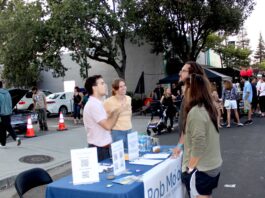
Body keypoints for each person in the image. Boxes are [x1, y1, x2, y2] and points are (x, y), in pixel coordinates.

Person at [181, 74, 222, 198]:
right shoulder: (207, 107)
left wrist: (189, 169)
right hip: (211, 165)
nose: (182, 89)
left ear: (192, 89)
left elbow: (199, 144)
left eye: (185, 85)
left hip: (202, 169)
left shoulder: (196, 112)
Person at [83, 75, 125, 161]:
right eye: (102, 83)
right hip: (99, 150)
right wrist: (117, 111)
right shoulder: (93, 105)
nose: (105, 85)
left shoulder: (98, 103)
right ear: (94, 88)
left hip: (103, 149)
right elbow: (108, 125)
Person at [172, 61, 206, 157]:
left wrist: (179, 145)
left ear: (192, 75)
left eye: (183, 71)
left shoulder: (194, 96)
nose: (179, 73)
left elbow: (189, 126)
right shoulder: (192, 93)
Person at [104, 78, 132, 151]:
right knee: (119, 157)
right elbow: (105, 119)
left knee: (129, 155)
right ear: (115, 89)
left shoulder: (129, 99)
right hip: (117, 133)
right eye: (121, 87)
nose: (124, 88)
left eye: (124, 85)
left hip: (129, 131)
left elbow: (129, 115)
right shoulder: (108, 102)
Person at [0, 81, 21, 147]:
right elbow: (11, 103)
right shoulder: (7, 93)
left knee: (3, 129)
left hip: (1, 114)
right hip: (8, 113)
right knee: (6, 127)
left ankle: (5, 143)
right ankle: (4, 144)